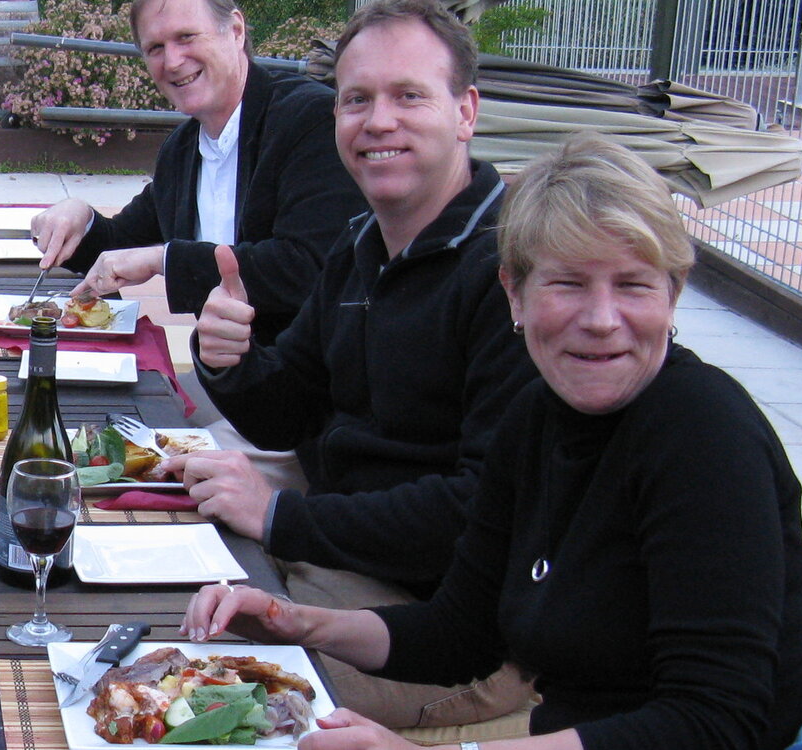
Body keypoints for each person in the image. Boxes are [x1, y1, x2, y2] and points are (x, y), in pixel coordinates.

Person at [180, 134, 802, 750]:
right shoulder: (536, 418)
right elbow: (462, 631)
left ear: (673, 294)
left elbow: (713, 723)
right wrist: (295, 622)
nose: (602, 320)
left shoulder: (705, 434)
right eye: (568, 283)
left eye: (633, 284)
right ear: (514, 293)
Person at [164, 0, 540, 728]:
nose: (378, 121)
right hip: (342, 558)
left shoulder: (513, 273)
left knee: (188, 685)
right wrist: (229, 360)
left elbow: (476, 508)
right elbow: (289, 410)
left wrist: (282, 517)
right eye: (357, 99)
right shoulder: (363, 242)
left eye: (409, 96)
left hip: (446, 627)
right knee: (146, 566)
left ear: (465, 111)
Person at [28, 0, 365, 345]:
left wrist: (164, 260)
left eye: (186, 37)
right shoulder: (182, 149)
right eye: (155, 48)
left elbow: (309, 266)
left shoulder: (310, 119)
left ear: (235, 31)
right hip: (227, 373)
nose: (172, 61)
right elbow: (121, 245)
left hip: (319, 372)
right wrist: (79, 218)